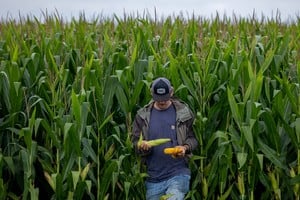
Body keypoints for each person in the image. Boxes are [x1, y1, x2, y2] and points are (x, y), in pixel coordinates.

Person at [131, 77, 198, 200]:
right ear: (151, 93)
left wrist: (185, 148)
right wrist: (142, 146)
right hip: (153, 178)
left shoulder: (184, 113)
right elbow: (134, 142)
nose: (161, 102)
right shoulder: (142, 116)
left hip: (178, 174)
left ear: (171, 92)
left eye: (165, 98)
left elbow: (193, 139)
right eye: (158, 99)